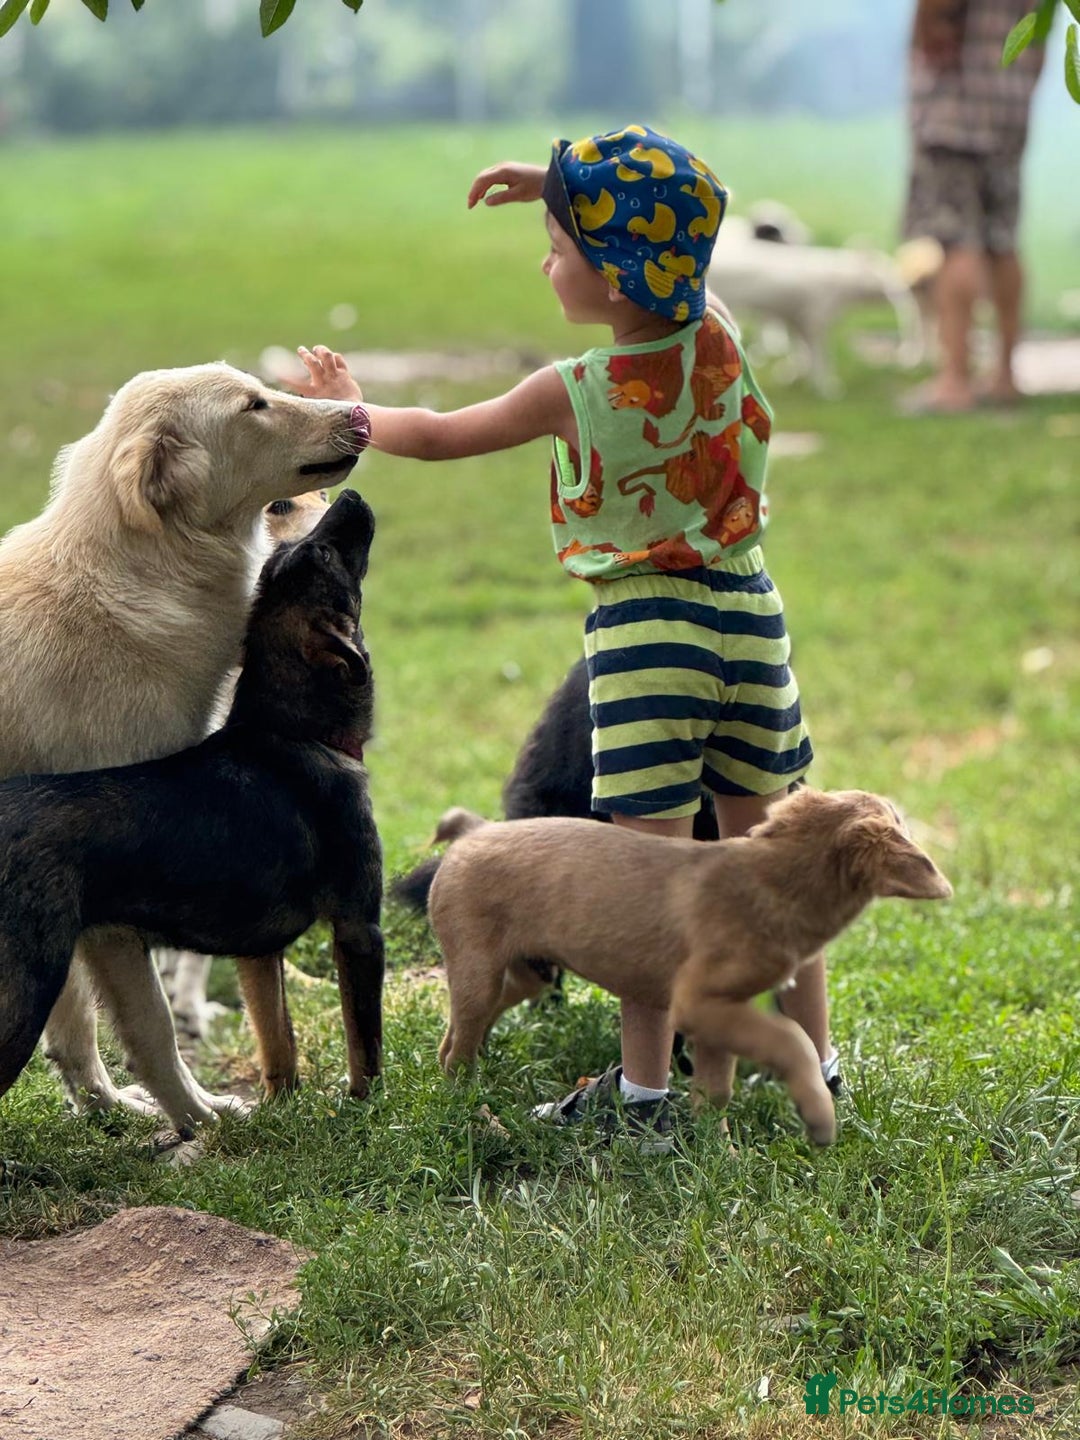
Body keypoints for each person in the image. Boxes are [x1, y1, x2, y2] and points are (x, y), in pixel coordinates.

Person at [291, 124, 838, 1151]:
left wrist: (349, 411)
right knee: (776, 863)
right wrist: (571, 190)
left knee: (649, 889)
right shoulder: (716, 332)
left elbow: (444, 434)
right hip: (753, 621)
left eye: (557, 240)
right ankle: (821, 1058)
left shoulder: (575, 390)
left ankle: (643, 1101)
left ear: (614, 277)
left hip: (649, 640)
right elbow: (683, 239)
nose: (544, 253)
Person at [903, 0, 1045, 413]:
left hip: (954, 110)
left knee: (956, 241)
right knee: (1002, 240)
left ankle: (954, 380)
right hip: (1008, 107)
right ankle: (1004, 374)